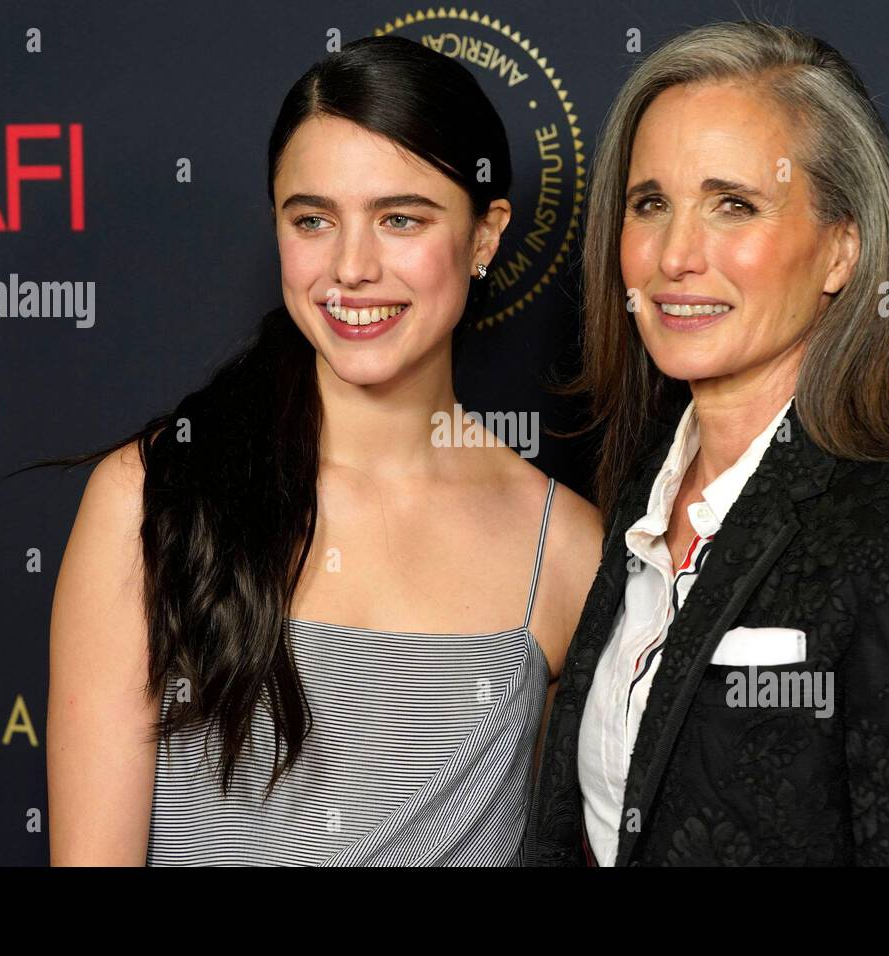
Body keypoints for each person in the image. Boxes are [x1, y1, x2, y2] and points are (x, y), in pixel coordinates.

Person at [41, 35, 602, 865]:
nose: (351, 267)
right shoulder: (152, 494)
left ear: (485, 237)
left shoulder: (569, 550)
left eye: (401, 219)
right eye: (313, 220)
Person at [525, 20, 889, 866]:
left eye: (733, 204)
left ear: (840, 251)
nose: (675, 254)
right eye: (650, 204)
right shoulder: (642, 497)